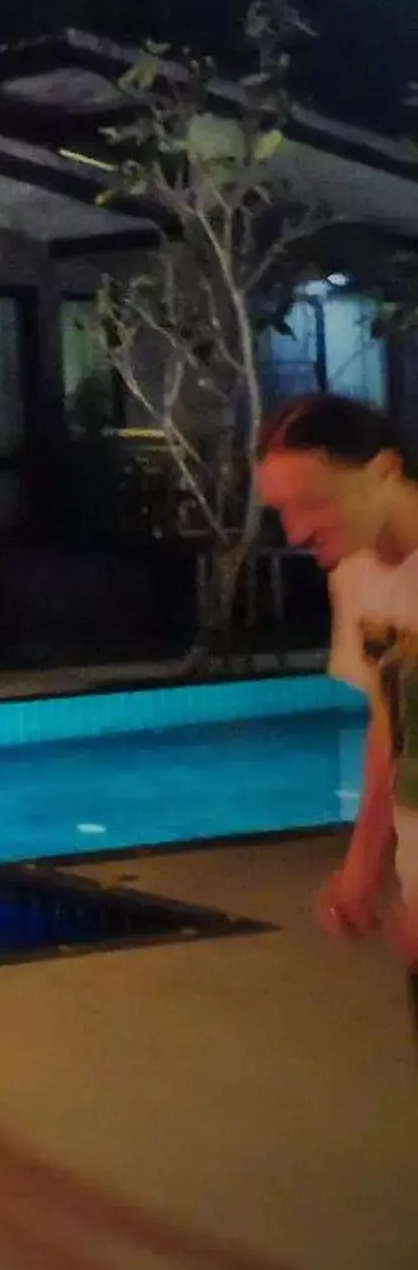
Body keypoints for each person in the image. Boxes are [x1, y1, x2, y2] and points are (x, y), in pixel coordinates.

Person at [250, 394, 418, 998]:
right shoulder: (356, 575)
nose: (297, 532)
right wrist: (364, 865)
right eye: (282, 511)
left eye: (314, 504)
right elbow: (390, 722)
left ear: (384, 471)